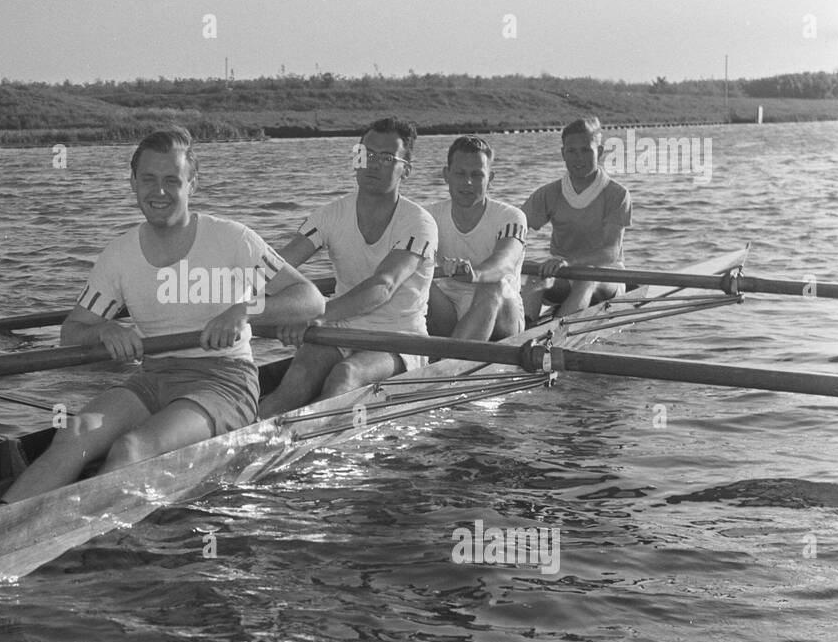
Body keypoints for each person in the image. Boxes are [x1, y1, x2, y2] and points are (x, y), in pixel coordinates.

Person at [1, 127, 324, 502]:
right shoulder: (118, 254)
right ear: (133, 183)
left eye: (172, 180)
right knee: (77, 432)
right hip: (153, 377)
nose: (159, 191)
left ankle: (72, 529)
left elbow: (310, 298)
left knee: (131, 449)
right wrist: (105, 329)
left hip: (225, 383)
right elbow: (72, 332)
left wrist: (243, 311)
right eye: (149, 179)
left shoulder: (233, 239)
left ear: (192, 185)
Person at [257, 118, 437, 418]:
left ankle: (308, 442)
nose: (372, 164)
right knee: (295, 383)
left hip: (400, 338)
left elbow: (383, 286)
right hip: (338, 328)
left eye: (386, 158)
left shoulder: (419, 223)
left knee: (345, 375)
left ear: (406, 169)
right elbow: (276, 268)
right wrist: (229, 304)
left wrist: (314, 315)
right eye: (365, 154)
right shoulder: (329, 215)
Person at [521, 117, 632, 320]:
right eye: (571, 151)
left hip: (605, 275)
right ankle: (521, 335)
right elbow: (514, 228)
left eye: (586, 150)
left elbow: (610, 252)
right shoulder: (549, 193)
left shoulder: (617, 194)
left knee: (586, 279)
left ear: (599, 151)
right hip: (563, 273)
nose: (578, 158)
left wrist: (569, 262)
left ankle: (553, 339)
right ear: (563, 153)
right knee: (535, 279)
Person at [425, 136, 527, 341]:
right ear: (447, 175)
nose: (468, 182)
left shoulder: (511, 216)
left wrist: (474, 275)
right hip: (448, 310)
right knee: (412, 278)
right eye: (460, 174)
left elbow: (504, 263)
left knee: (493, 284)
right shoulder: (427, 217)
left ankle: (449, 364)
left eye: (477, 175)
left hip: (501, 313)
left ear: (491, 177)